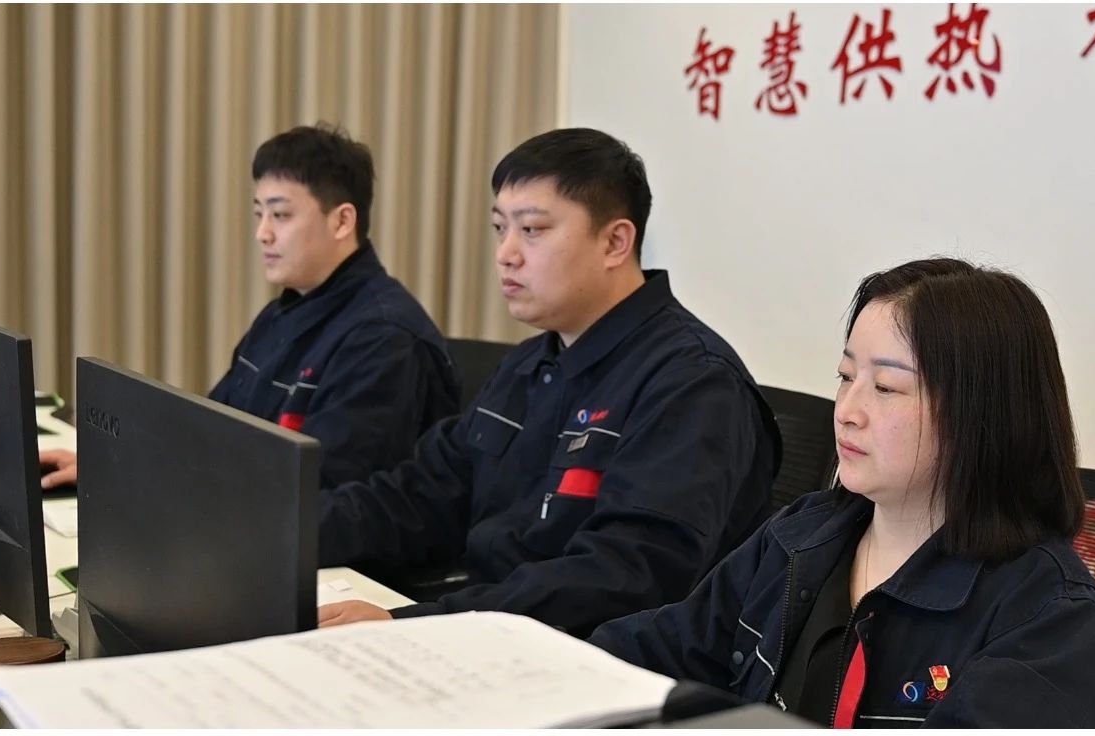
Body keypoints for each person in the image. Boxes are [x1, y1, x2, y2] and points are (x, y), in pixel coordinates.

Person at [587, 258, 1095, 727]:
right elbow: (663, 648)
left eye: (886, 387)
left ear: (982, 416)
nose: (848, 412)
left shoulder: (1050, 618)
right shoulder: (803, 535)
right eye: (845, 377)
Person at [316, 128, 782, 639]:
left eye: (533, 230)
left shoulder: (692, 383)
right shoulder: (530, 362)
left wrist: (417, 624)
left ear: (615, 242)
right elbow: (420, 495)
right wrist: (284, 531)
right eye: (500, 228)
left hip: (591, 656)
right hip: (487, 627)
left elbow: (623, 577)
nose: (506, 253)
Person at [39, 123, 460, 490]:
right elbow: (210, 431)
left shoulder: (384, 339)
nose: (262, 233)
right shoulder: (285, 312)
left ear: (342, 221)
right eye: (259, 214)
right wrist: (118, 465)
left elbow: (317, 493)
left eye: (281, 215)